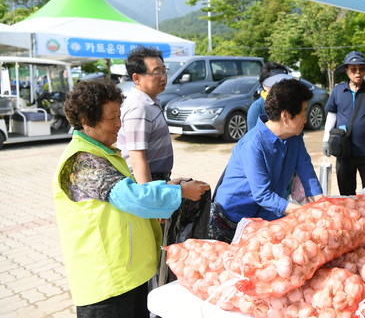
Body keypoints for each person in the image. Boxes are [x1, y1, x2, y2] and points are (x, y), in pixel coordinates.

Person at [52, 79, 210, 318]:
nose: (118, 125)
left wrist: (168, 185)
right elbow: (131, 197)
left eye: (119, 116)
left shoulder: (102, 152)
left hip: (128, 275)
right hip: (107, 283)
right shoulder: (82, 161)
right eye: (111, 118)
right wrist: (181, 192)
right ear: (86, 122)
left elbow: (125, 190)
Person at [209, 79, 324, 242]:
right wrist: (301, 211)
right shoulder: (253, 144)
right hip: (232, 220)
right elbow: (262, 195)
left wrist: (323, 204)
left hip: (265, 218)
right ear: (285, 116)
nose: (306, 119)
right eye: (303, 112)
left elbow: (306, 171)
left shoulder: (295, 137)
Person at [322, 51, 365, 196]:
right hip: (344, 152)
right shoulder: (338, 91)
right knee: (346, 194)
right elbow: (331, 116)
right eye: (353, 69)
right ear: (346, 71)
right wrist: (325, 141)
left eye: (361, 69)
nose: (357, 73)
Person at [117, 47, 173, 183]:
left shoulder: (149, 101)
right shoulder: (138, 107)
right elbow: (137, 157)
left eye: (164, 70)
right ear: (136, 78)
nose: (163, 77)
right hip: (146, 180)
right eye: (156, 72)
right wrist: (149, 195)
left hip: (157, 177)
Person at [247, 62, 293, 131]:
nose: (280, 86)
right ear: (264, 85)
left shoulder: (291, 104)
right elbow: (253, 138)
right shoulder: (257, 108)